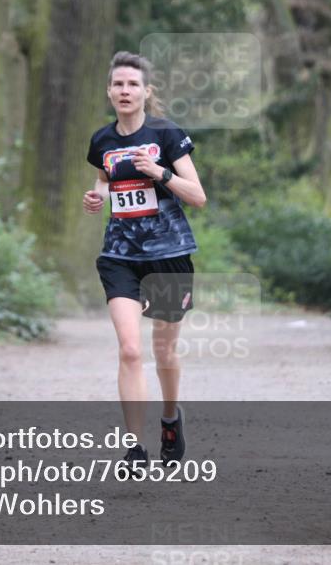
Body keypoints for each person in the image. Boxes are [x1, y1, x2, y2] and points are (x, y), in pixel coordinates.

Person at [83, 51, 207, 472]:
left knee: (164, 351)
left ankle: (170, 418)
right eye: (118, 84)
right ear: (109, 91)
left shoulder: (166, 134)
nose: (125, 90)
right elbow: (104, 181)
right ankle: (134, 449)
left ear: (145, 91)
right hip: (120, 256)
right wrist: (96, 197)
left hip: (168, 256)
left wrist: (159, 172)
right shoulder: (102, 141)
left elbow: (198, 196)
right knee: (131, 349)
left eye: (132, 84)